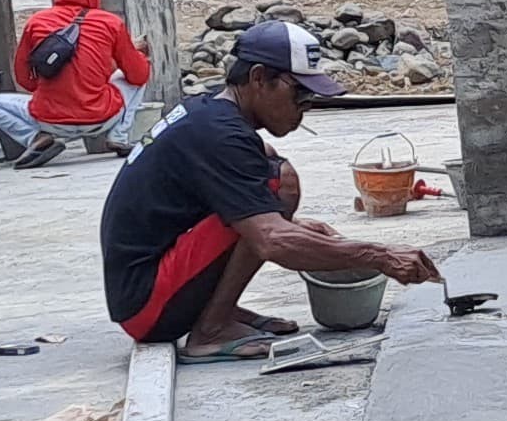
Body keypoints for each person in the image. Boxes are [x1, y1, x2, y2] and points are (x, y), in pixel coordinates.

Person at [102, 19, 439, 360]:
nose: (303, 110)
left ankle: (220, 310)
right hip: (145, 305)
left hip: (144, 288)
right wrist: (378, 255)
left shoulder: (209, 114)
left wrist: (290, 226)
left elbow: (256, 180)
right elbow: (272, 240)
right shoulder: (220, 134)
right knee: (278, 184)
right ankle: (212, 329)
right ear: (259, 78)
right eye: (299, 94)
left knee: (274, 178)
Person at [0, 0, 156, 168]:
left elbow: (23, 77)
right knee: (138, 72)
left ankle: (36, 139)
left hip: (49, 119)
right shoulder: (110, 23)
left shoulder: (36, 22)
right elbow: (138, 75)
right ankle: (119, 136)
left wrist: (50, 89)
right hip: (103, 116)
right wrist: (135, 54)